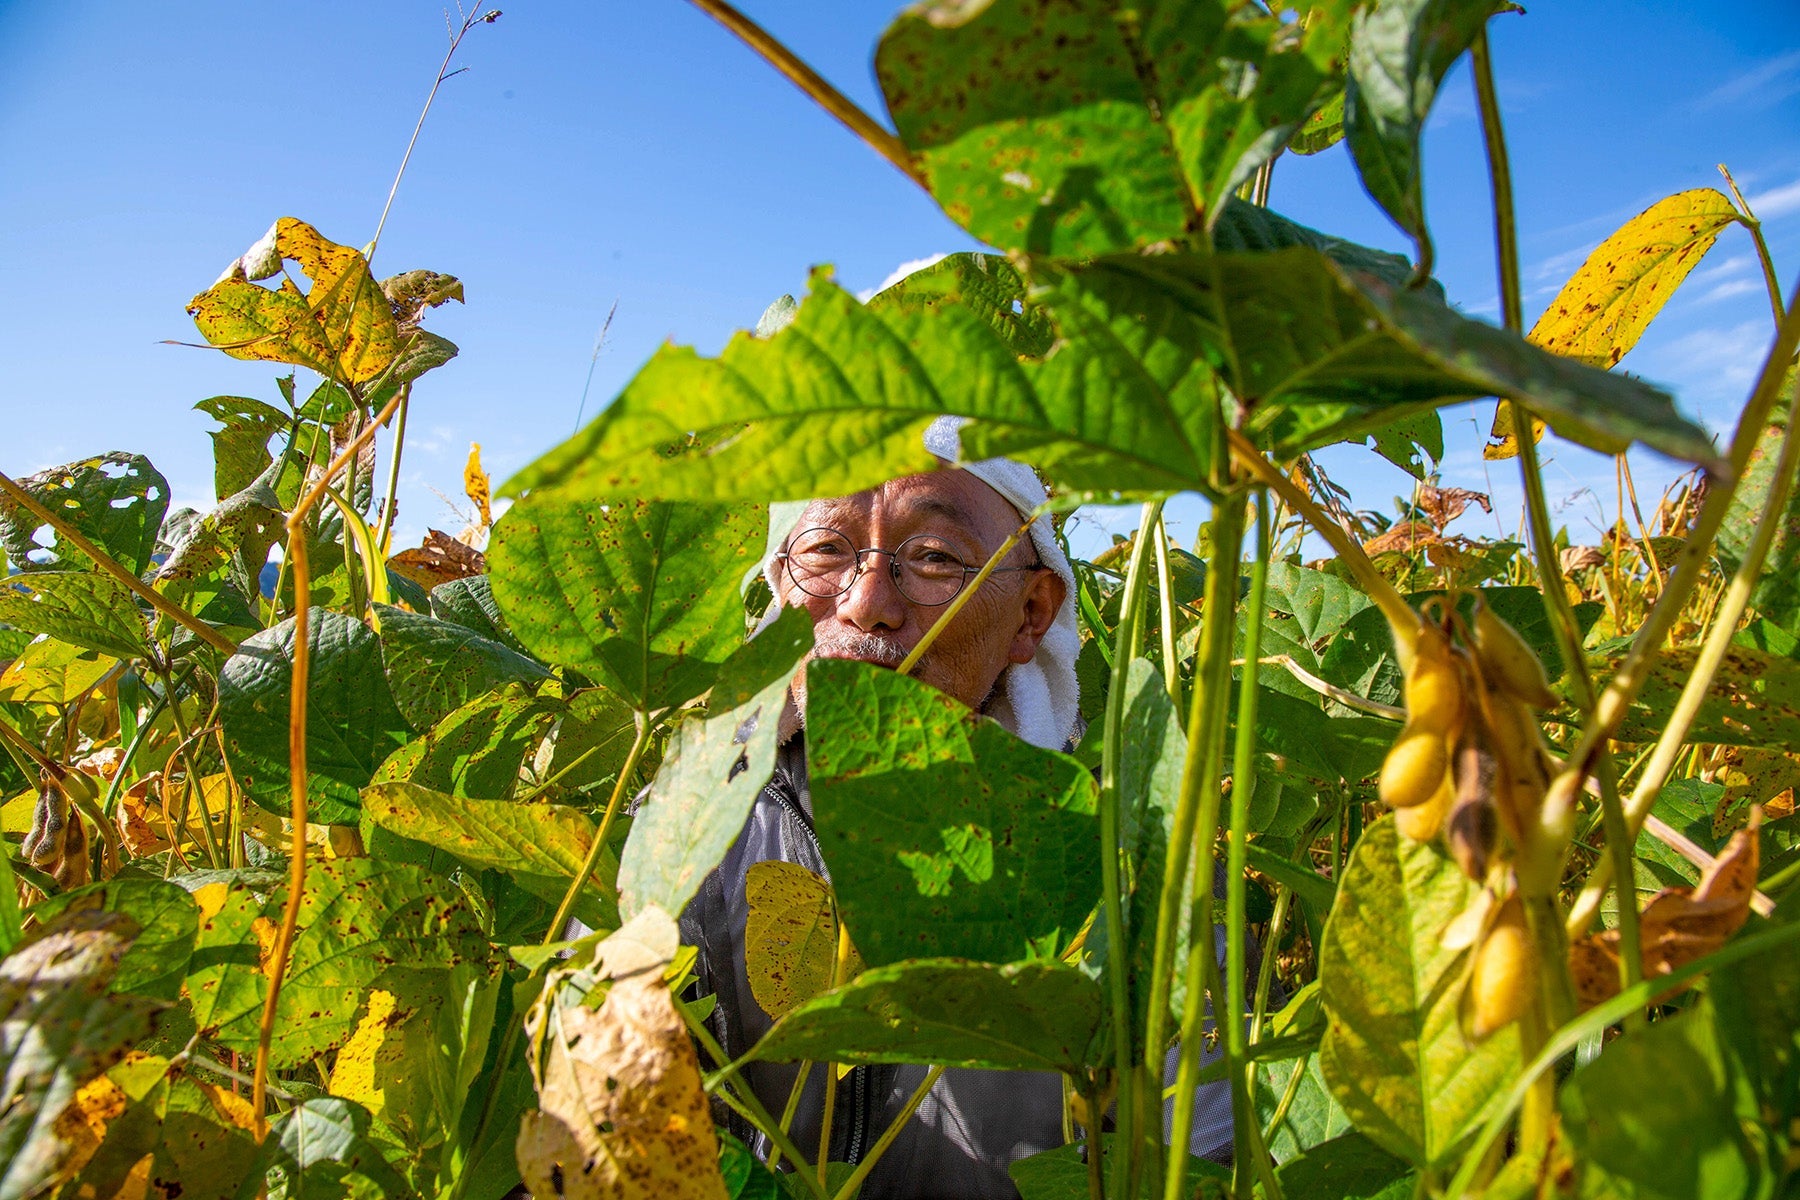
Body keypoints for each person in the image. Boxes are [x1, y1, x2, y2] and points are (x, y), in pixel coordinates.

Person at [680, 415, 1236, 1199]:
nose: (866, 602)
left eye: (935, 557)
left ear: (1032, 613)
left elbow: (1213, 1152)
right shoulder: (692, 825)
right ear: (780, 585)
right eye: (826, 550)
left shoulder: (1121, 859)